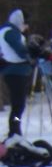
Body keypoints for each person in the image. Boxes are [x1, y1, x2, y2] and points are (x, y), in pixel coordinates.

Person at [3, 10, 33, 141]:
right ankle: (14, 130)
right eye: (25, 24)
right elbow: (20, 50)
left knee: (18, 105)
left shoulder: (9, 31)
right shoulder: (10, 32)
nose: (26, 27)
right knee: (18, 105)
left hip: (15, 72)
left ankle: (15, 129)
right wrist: (30, 52)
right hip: (15, 72)